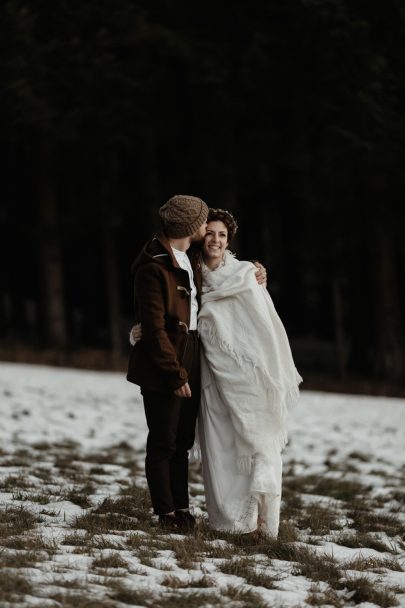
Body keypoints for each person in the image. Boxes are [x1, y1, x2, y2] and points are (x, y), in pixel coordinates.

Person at [127, 195, 266, 532]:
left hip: (191, 355)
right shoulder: (153, 265)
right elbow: (156, 327)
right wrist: (174, 373)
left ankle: (181, 507)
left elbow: (225, 271)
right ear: (190, 227)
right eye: (204, 222)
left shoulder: (188, 260)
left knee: (183, 440)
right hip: (164, 362)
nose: (208, 228)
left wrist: (257, 269)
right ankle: (166, 513)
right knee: (163, 440)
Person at [196, 209, 302, 537]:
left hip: (247, 376)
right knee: (221, 448)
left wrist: (260, 367)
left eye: (222, 235)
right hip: (212, 376)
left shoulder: (245, 274)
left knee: (256, 445)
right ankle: (229, 522)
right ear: (201, 236)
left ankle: (259, 522)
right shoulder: (191, 274)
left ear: (229, 241)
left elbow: (261, 324)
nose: (215, 240)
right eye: (210, 233)